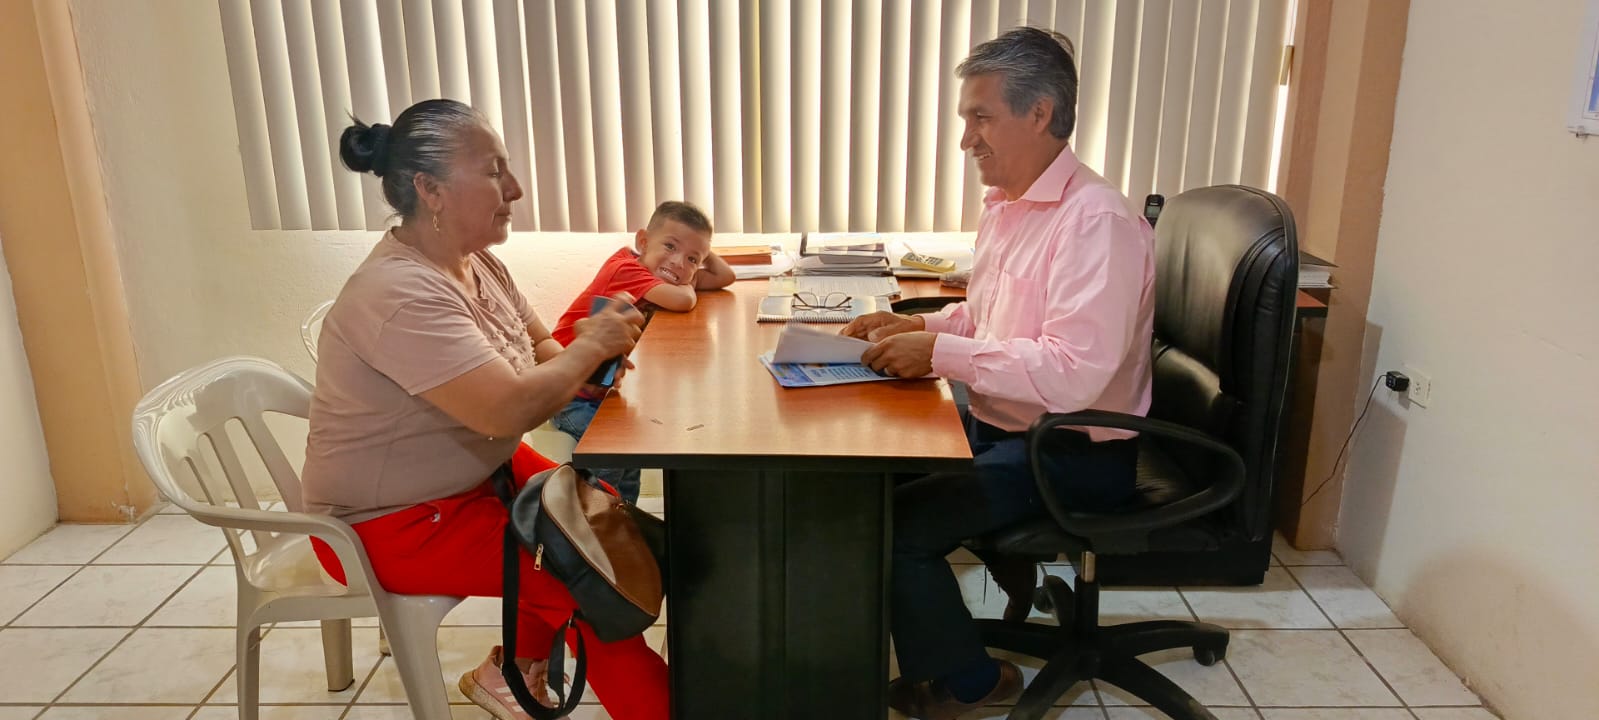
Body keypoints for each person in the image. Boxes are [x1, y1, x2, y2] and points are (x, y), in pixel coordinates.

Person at [300, 98, 668, 720]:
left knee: (603, 521)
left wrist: (590, 368)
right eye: (494, 172)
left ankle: (510, 673)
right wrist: (589, 350)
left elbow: (541, 345)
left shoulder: (477, 262)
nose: (515, 188)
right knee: (587, 581)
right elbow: (504, 411)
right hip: (388, 523)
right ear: (431, 190)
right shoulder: (398, 293)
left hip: (476, 473)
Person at [841, 28, 1156, 719]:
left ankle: (972, 685)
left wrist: (937, 356)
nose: (966, 141)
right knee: (865, 475)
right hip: (1006, 424)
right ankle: (936, 612)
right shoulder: (1009, 206)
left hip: (1073, 451)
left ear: (1039, 113)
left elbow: (1072, 373)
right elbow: (987, 321)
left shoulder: (1095, 223)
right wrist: (915, 328)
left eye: (980, 118)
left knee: (898, 528)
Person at [546, 201, 736, 502]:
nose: (678, 263)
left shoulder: (661, 274)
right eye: (670, 246)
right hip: (568, 393)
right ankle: (593, 516)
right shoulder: (625, 269)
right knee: (610, 457)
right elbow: (683, 301)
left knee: (630, 455)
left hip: (600, 388)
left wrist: (699, 253)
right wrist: (691, 272)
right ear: (643, 241)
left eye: (691, 259)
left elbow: (726, 277)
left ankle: (626, 518)